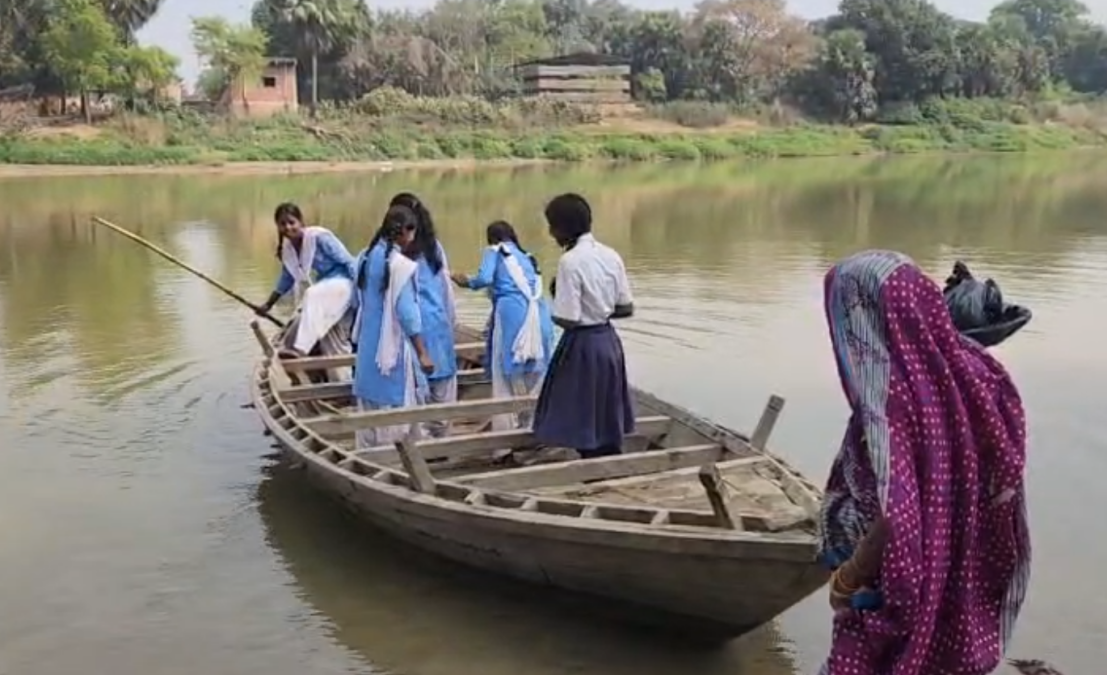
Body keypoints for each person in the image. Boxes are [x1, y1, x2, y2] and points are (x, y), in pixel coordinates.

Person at [818, 250, 1031, 675]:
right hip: (964, 570)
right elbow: (1003, 475)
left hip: (897, 581)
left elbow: (897, 515)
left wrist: (849, 579)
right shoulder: (981, 372)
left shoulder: (891, 400)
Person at [531, 193, 635, 459]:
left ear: (563, 228)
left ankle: (592, 467)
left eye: (552, 226)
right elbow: (625, 308)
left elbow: (568, 318)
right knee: (605, 411)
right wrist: (600, 308)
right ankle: (609, 462)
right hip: (608, 341)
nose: (551, 234)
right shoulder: (611, 255)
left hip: (583, 344)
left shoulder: (570, 261)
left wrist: (555, 296)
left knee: (581, 413)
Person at [452, 220, 555, 430]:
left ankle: (503, 443)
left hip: (512, 317)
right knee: (535, 375)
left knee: (503, 380)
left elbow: (484, 278)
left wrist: (464, 281)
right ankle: (533, 427)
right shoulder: (528, 258)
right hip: (540, 317)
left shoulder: (495, 251)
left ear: (491, 238)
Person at [351, 204, 436, 449]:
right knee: (396, 403)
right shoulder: (400, 266)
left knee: (369, 404)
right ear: (405, 233)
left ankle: (368, 456)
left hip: (368, 344)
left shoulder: (365, 258)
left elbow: (358, 299)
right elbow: (409, 315)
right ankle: (395, 458)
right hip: (391, 349)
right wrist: (423, 353)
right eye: (412, 233)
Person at [256, 203, 357, 379]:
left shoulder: (319, 238)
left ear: (301, 222)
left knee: (313, 298)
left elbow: (349, 262)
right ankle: (326, 379)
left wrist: (362, 294)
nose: (288, 227)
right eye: (283, 224)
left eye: (291, 222)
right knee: (306, 334)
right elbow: (286, 280)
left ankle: (301, 350)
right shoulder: (288, 250)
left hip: (343, 285)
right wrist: (268, 304)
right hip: (323, 294)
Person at [390, 192, 458, 437]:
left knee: (413, 388)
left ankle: (420, 441)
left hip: (409, 328)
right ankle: (440, 440)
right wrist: (452, 324)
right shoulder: (433, 248)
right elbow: (445, 290)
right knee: (442, 388)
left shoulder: (390, 255)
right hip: (436, 323)